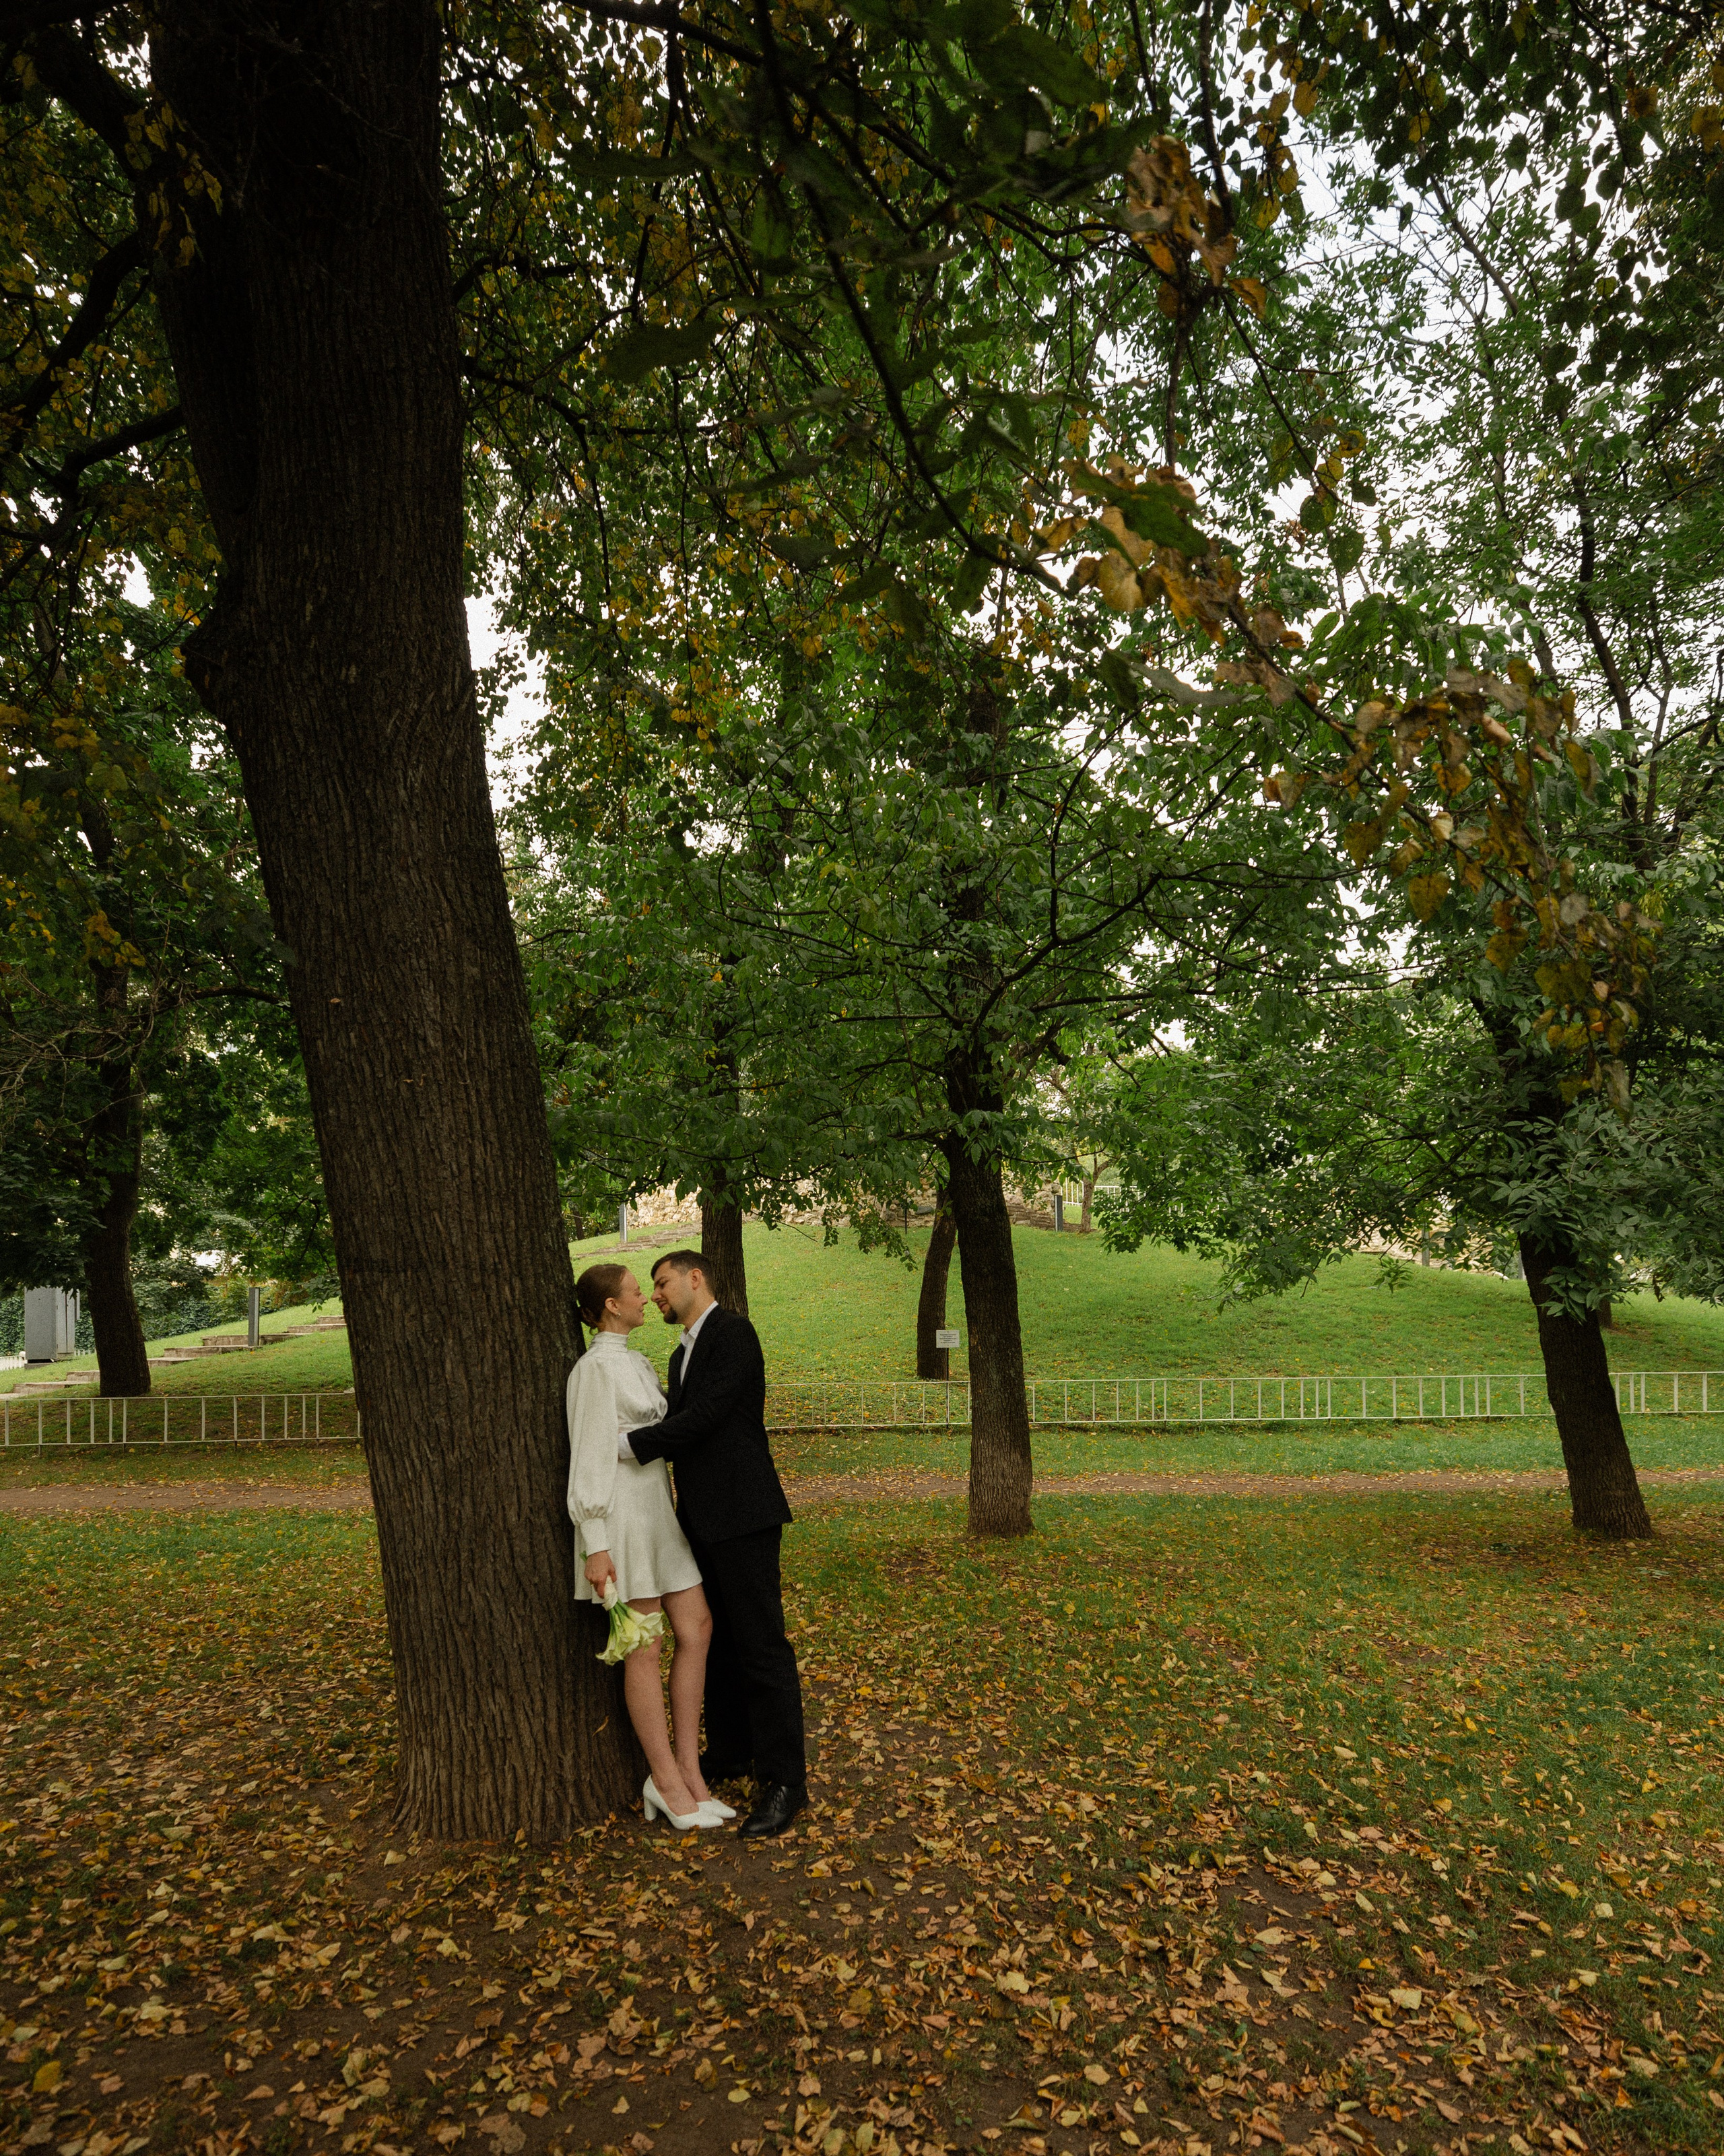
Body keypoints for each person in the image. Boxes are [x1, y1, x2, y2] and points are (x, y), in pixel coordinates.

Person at [620, 1249, 807, 1839]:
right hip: (700, 1520)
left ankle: (785, 1782)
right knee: (715, 1643)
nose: (656, 1295)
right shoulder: (680, 1354)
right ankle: (731, 1752)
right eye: (651, 1287)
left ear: (695, 1278)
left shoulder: (733, 1333)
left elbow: (706, 1417)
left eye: (663, 1282)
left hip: (745, 1514)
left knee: (760, 1647)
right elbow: (684, 1417)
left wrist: (627, 1444)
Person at [566, 1262, 728, 1833]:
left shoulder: (635, 1361)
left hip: (660, 1512)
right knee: (643, 1645)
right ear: (611, 1305)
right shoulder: (592, 1372)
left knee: (698, 1627)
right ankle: (663, 1779)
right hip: (622, 1519)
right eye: (638, 1290)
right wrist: (595, 1543)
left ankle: (690, 1767)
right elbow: (587, 1458)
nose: (646, 1297)